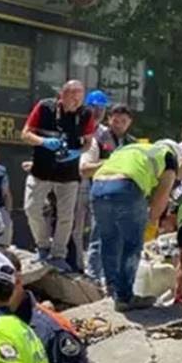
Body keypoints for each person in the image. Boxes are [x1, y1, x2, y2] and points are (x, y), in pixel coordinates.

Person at [89, 141, 179, 310]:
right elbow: (162, 195)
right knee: (132, 244)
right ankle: (124, 297)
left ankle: (112, 289)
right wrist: (151, 220)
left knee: (109, 239)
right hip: (126, 186)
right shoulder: (169, 158)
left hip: (98, 186)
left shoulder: (131, 148)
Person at [20, 80, 99, 272]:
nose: (75, 103)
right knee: (31, 208)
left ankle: (58, 254)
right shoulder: (45, 107)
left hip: (68, 173)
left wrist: (77, 152)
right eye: (72, 98)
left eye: (79, 99)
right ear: (62, 95)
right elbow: (25, 134)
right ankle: (42, 246)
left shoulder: (86, 114)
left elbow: (88, 143)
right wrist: (43, 141)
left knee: (66, 216)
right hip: (41, 169)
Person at [72, 91, 111, 272]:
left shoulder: (104, 133)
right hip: (78, 180)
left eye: (101, 108)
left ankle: (95, 268)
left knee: (98, 228)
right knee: (76, 225)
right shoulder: (77, 125)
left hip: (99, 183)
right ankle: (77, 263)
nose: (98, 111)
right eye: (95, 107)